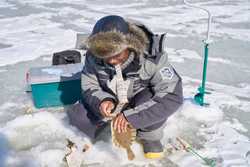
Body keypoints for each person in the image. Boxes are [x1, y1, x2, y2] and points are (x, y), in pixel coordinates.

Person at [69, 15, 183, 159]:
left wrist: (132, 117)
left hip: (140, 105)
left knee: (152, 102)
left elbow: (172, 95)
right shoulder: (93, 56)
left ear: (129, 45)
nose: (111, 60)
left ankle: (149, 137)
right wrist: (102, 102)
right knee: (78, 116)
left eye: (116, 54)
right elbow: (89, 84)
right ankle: (96, 140)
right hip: (112, 105)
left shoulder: (152, 58)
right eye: (106, 56)